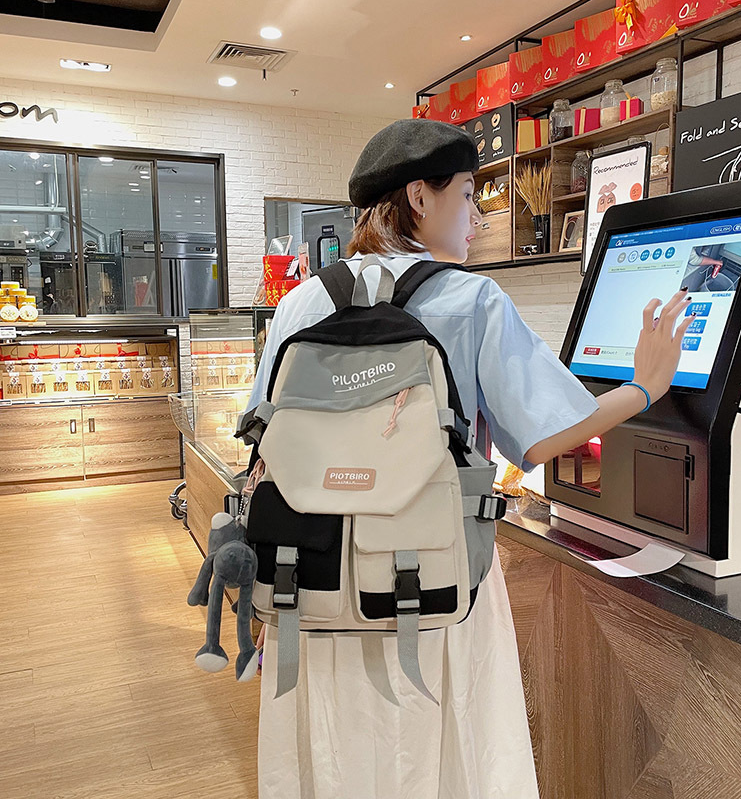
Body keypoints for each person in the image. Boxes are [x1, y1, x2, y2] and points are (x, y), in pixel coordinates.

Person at [245, 118, 693, 799]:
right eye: (467, 195)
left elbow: (263, 440)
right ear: (418, 196)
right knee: (446, 750)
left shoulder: (301, 302)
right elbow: (546, 435)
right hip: (433, 579)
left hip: (313, 579)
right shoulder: (472, 298)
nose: (477, 218)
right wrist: (645, 387)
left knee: (334, 752)